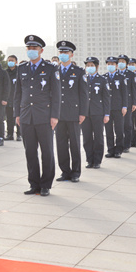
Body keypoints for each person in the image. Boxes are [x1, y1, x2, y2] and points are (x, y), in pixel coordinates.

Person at [14, 35, 60, 197]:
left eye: (34, 48)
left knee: (47, 152)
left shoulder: (50, 68)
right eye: (29, 48)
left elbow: (56, 94)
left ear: (41, 50)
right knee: (30, 152)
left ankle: (46, 184)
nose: (31, 51)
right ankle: (34, 184)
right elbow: (18, 93)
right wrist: (17, 114)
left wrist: (54, 116)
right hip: (26, 116)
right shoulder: (22, 68)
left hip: (44, 116)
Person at [55, 41, 88, 183]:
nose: (63, 54)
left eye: (66, 52)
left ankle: (75, 172)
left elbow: (84, 94)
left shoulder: (79, 72)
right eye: (61, 52)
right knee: (61, 144)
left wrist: (82, 113)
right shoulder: (54, 71)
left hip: (74, 113)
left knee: (74, 144)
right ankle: (65, 171)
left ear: (71, 54)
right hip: (58, 114)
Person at [82, 57, 110, 169]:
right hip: (85, 113)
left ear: (97, 67)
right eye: (87, 65)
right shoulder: (83, 79)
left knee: (98, 137)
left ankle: (97, 160)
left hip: (98, 112)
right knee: (87, 138)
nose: (89, 67)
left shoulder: (102, 80)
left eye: (91, 65)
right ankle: (89, 160)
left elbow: (106, 98)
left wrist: (106, 114)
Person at [104, 56, 128, 159]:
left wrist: (124, 106)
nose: (110, 66)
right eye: (109, 64)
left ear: (116, 66)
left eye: (112, 64)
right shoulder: (104, 77)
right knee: (108, 130)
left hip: (118, 108)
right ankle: (110, 150)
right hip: (107, 109)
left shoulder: (121, 77)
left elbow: (125, 93)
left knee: (119, 130)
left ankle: (118, 150)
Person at [5, 55, 21, 141]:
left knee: (18, 117)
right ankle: (10, 134)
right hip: (8, 98)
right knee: (9, 118)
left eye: (12, 60)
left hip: (18, 98)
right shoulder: (5, 72)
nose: (10, 62)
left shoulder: (19, 71)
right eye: (9, 60)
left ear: (16, 62)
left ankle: (19, 134)